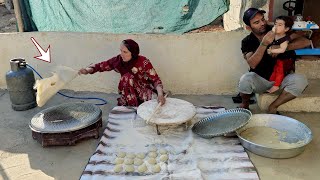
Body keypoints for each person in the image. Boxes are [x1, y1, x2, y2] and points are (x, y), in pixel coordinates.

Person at [238, 8, 310, 114]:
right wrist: (264, 44)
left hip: (282, 79)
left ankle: (273, 106)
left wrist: (282, 47)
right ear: (249, 27)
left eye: (263, 19)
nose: (262, 23)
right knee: (245, 79)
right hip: (261, 81)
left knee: (301, 80)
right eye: (257, 22)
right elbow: (252, 63)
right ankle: (245, 104)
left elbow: (305, 42)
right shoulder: (247, 41)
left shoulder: (277, 29)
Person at [79, 39, 166, 107]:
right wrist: (87, 70)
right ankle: (132, 105)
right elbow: (101, 66)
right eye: (121, 51)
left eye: (125, 52)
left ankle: (138, 104)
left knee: (157, 104)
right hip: (129, 94)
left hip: (144, 92)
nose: (121, 54)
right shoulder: (118, 60)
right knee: (127, 77)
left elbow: (156, 80)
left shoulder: (143, 62)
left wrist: (160, 94)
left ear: (133, 53)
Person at [267, 16, 295, 93]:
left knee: (279, 71)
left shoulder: (284, 39)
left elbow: (282, 50)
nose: (276, 27)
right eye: (275, 24)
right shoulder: (275, 35)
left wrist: (272, 50)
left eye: (279, 25)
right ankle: (271, 82)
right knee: (275, 70)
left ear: (286, 29)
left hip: (285, 58)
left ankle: (276, 86)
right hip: (279, 58)